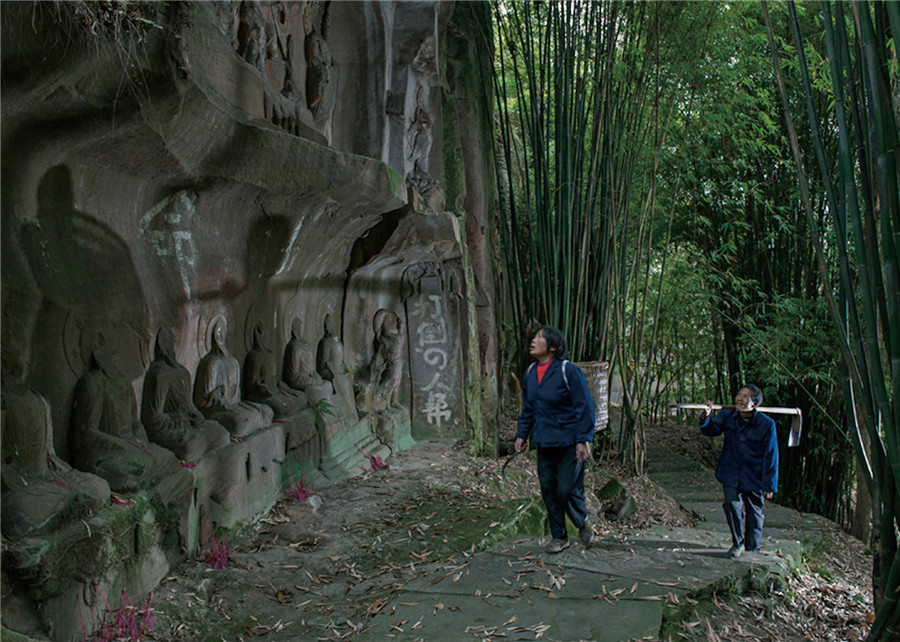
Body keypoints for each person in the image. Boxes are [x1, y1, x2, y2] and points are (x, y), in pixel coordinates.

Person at [515, 325, 596, 554]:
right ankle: (559, 537)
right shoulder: (530, 372)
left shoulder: (568, 370)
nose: (533, 340)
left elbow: (585, 407)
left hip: (569, 442)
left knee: (567, 489)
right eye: (534, 337)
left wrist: (583, 439)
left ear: (553, 347)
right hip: (545, 442)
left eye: (540, 337)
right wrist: (522, 435)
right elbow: (528, 408)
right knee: (549, 490)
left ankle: (582, 522)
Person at [700, 384, 778, 558]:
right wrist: (706, 416)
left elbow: (771, 455)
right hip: (731, 471)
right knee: (731, 504)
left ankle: (753, 548)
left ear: (755, 404)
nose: (739, 399)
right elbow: (711, 430)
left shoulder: (766, 424)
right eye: (739, 394)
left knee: (754, 513)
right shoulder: (727, 415)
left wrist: (769, 484)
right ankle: (738, 542)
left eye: (745, 397)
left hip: (754, 474)